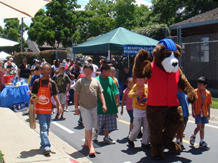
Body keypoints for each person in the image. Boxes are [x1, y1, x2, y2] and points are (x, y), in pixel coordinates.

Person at [74, 64, 107, 157]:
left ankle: (86, 142)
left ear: (92, 71)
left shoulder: (96, 81)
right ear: (83, 71)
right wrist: (76, 108)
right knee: (88, 125)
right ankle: (91, 146)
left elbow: (100, 93)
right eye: (86, 70)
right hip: (84, 107)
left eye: (89, 70)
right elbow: (76, 95)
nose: (87, 72)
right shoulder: (80, 81)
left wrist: (104, 104)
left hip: (94, 107)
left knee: (94, 124)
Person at [32, 63, 63, 156]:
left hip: (49, 109)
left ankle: (43, 143)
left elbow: (54, 95)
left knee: (47, 128)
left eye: (48, 69)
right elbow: (33, 95)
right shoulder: (37, 82)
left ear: (50, 71)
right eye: (44, 69)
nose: (46, 71)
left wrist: (59, 105)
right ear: (41, 70)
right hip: (40, 109)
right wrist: (32, 106)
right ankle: (46, 146)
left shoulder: (52, 83)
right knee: (44, 127)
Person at [94, 64, 120, 144]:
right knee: (99, 122)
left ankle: (106, 137)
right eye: (109, 71)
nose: (110, 73)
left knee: (108, 122)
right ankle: (95, 133)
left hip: (110, 104)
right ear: (104, 71)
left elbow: (115, 90)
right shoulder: (96, 80)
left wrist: (117, 100)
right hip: (100, 105)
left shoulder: (111, 79)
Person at [190, 76, 212, 149]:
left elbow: (208, 104)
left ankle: (195, 136)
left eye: (201, 84)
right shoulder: (195, 92)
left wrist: (209, 114)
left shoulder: (208, 93)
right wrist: (193, 111)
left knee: (201, 127)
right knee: (200, 126)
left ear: (205, 85)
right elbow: (193, 103)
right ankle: (200, 140)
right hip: (197, 113)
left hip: (204, 113)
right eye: (198, 84)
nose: (199, 86)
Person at [127, 78, 150, 149]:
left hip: (145, 110)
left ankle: (145, 142)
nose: (140, 81)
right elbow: (129, 94)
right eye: (139, 80)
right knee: (137, 127)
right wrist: (135, 93)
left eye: (142, 80)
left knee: (146, 127)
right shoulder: (135, 86)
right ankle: (131, 138)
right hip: (137, 110)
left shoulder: (146, 87)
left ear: (144, 80)